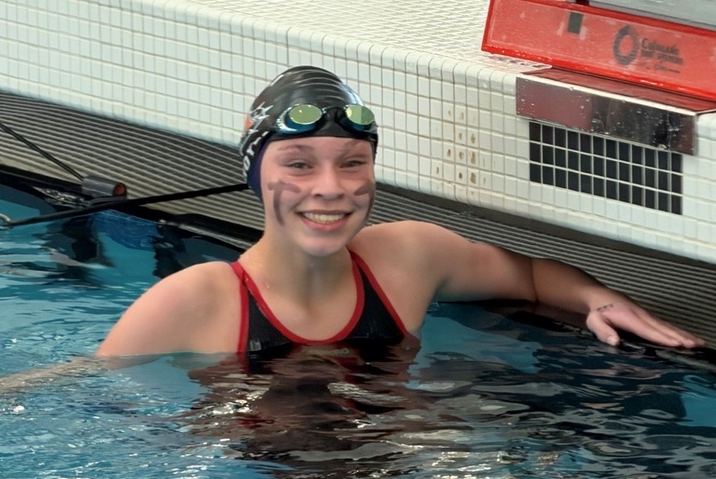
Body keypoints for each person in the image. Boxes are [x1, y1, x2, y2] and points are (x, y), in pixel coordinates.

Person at [96, 66, 703, 359]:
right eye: (300, 164)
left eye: (353, 163)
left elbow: (535, 276)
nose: (331, 188)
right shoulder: (198, 300)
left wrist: (597, 299)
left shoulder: (408, 257)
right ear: (256, 176)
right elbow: (80, 395)